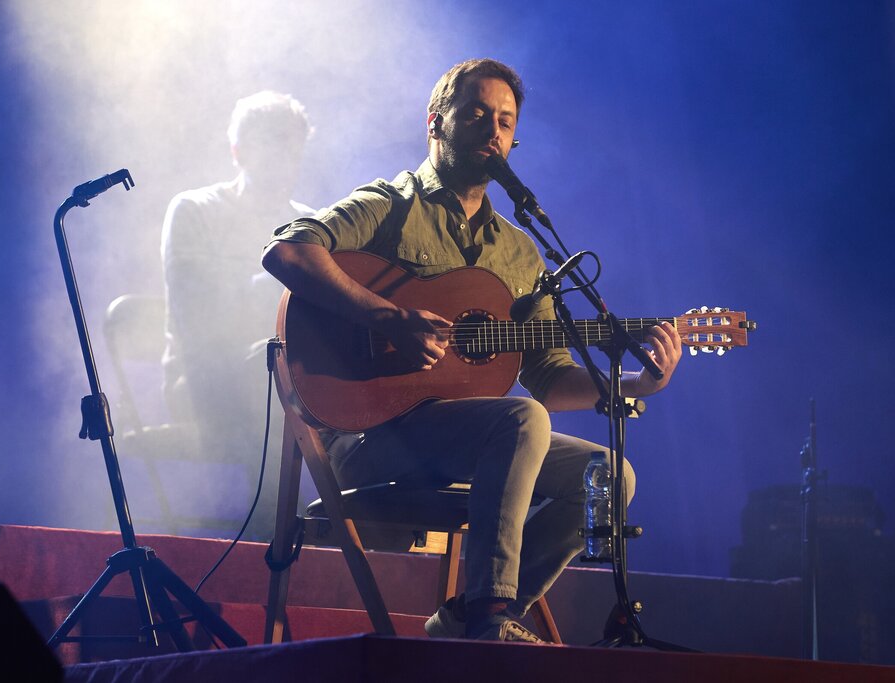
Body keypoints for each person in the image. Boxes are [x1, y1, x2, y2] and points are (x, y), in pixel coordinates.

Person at [261, 59, 682, 642]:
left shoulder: (518, 252)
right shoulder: (390, 203)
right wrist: (386, 316)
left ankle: (472, 615)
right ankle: (488, 618)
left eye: (505, 121)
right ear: (436, 123)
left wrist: (636, 384)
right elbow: (287, 251)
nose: (493, 130)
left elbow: (551, 379)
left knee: (609, 473)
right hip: (366, 436)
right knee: (518, 418)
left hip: (461, 441)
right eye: (476, 114)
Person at [161, 91, 313, 539]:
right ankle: (280, 536)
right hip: (205, 381)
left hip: (289, 377)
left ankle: (357, 531)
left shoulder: (311, 224)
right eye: (271, 142)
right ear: (238, 150)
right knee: (270, 371)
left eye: (291, 144)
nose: (283, 155)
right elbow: (200, 321)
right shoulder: (195, 210)